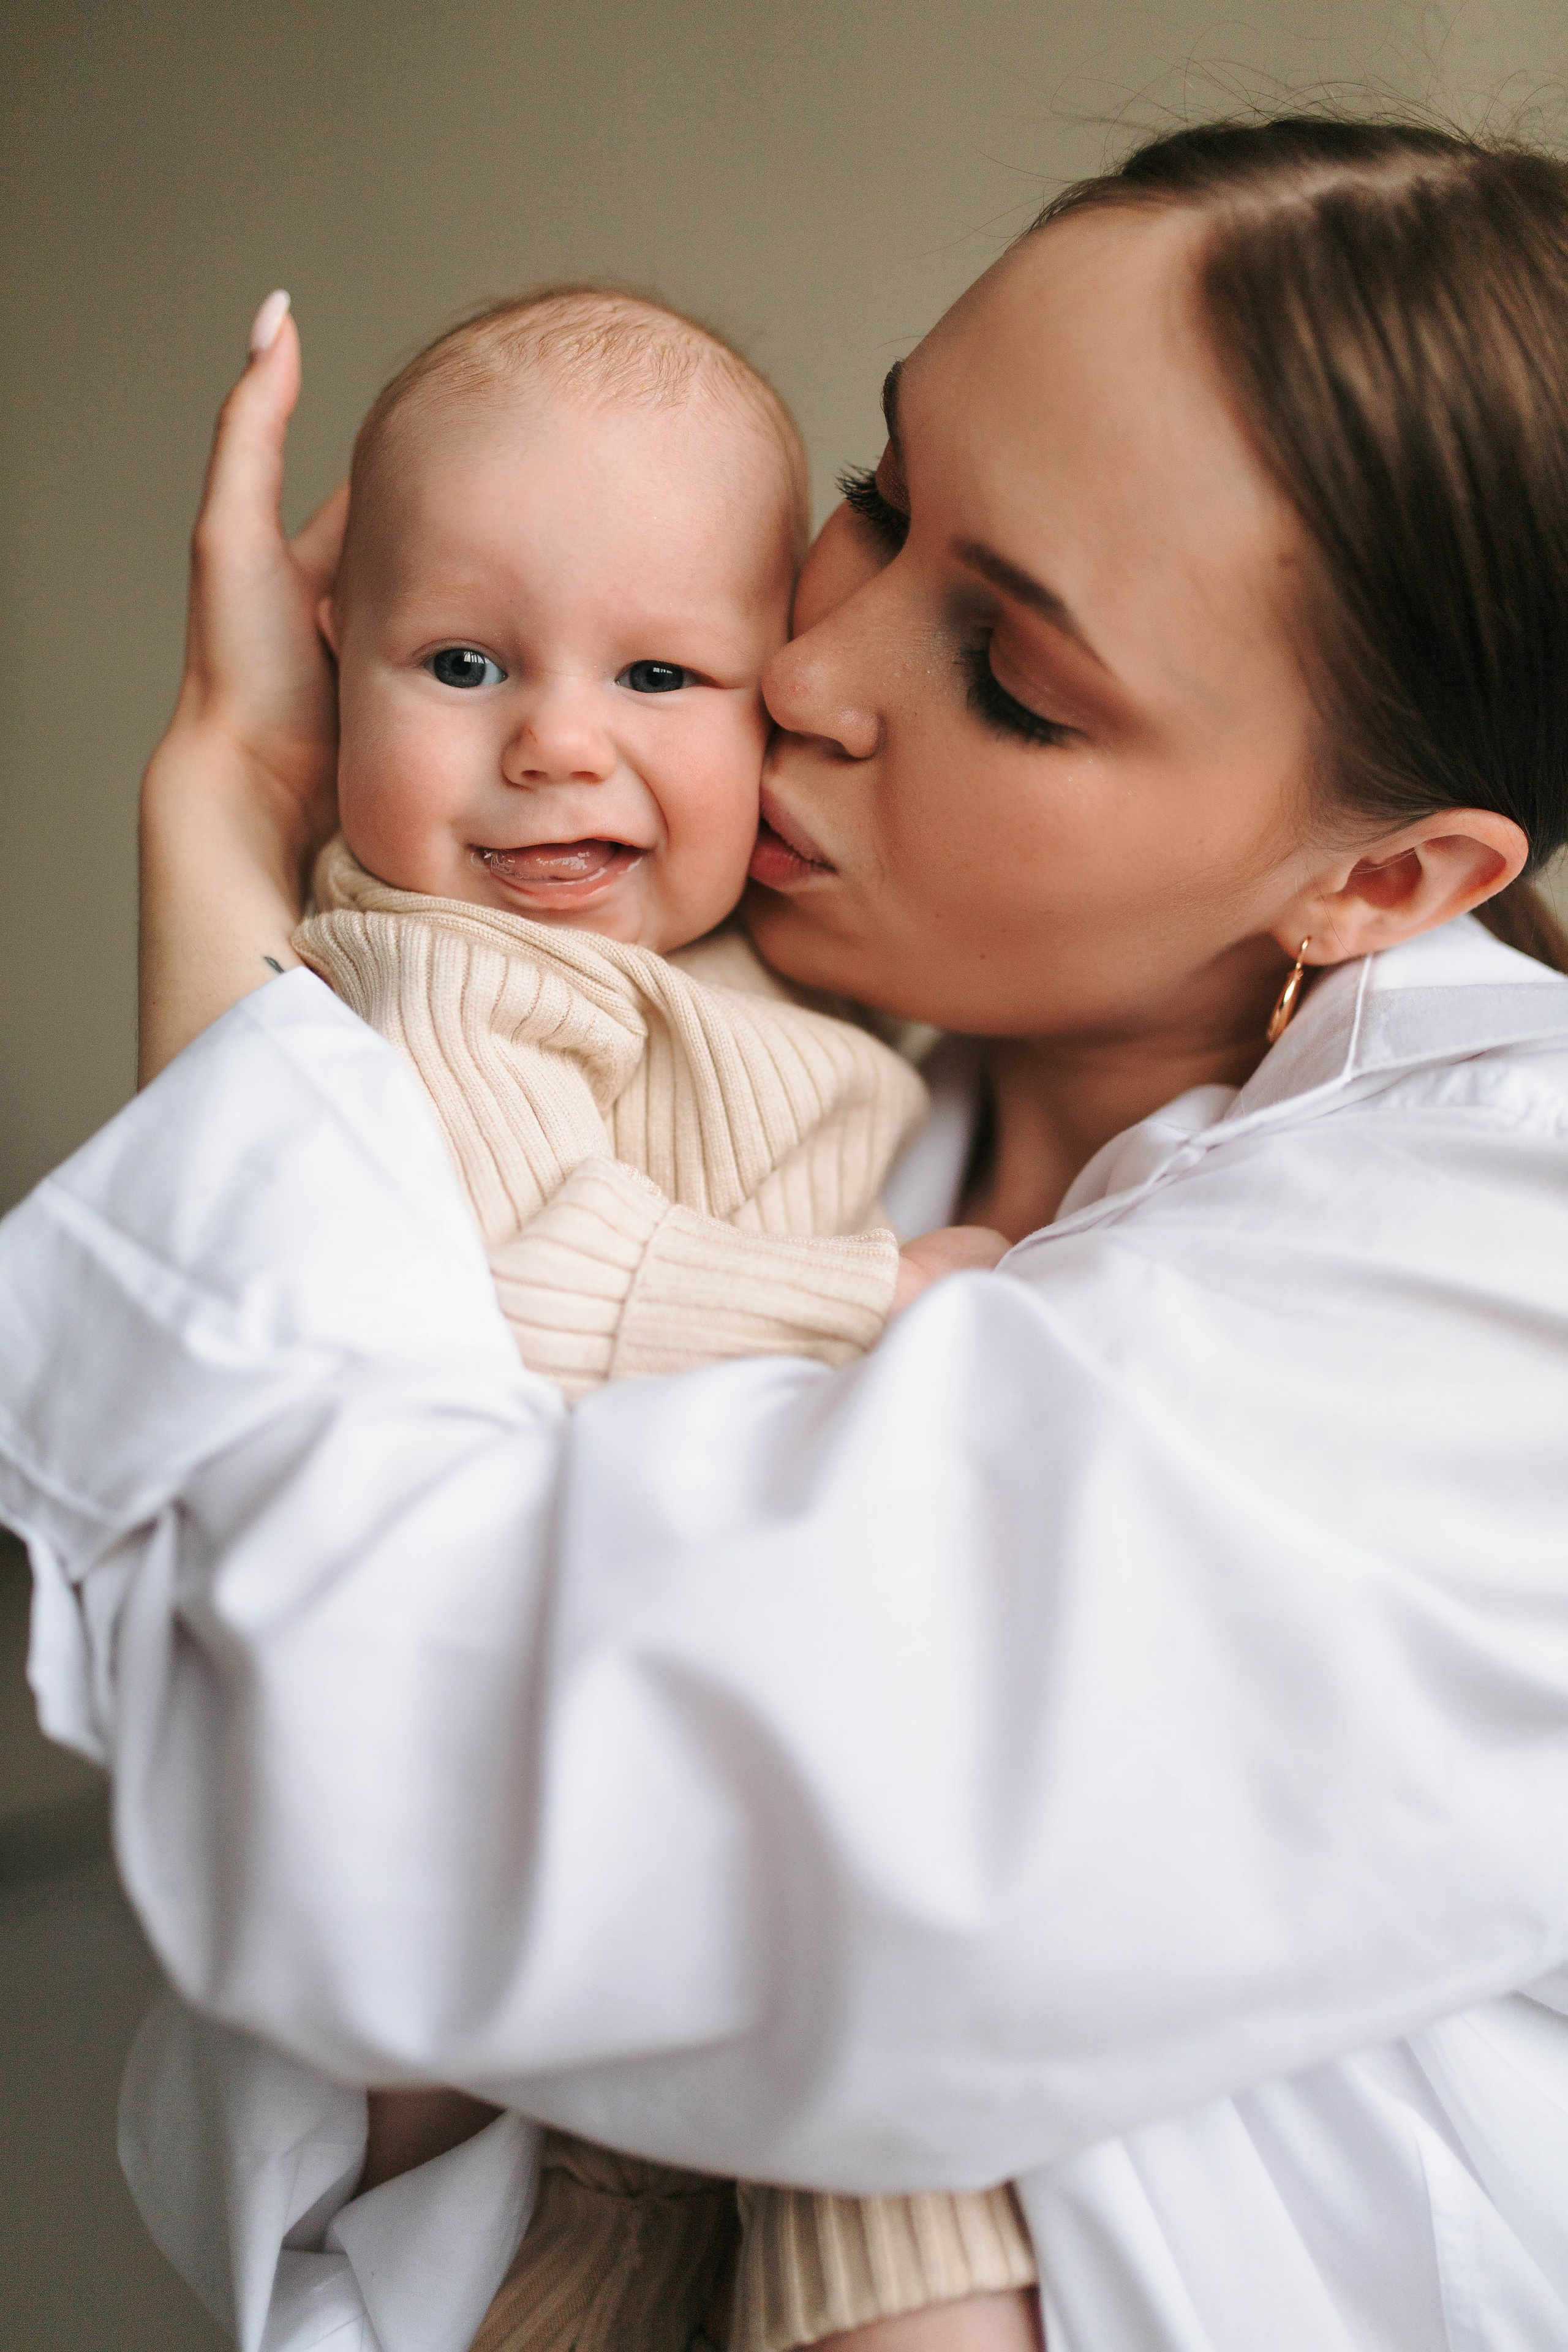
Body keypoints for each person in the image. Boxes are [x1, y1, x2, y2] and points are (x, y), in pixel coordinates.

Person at [6, 113, 1568, 2352]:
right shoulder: (810, 1111)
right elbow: (338, 2137)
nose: (806, 675)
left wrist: (216, 892)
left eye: (1016, 678)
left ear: (1384, 882)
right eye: (885, 496)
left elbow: (368, 1813)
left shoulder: (1504, 1275)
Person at [296, 278, 1034, 2352]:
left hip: (711, 1723)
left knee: (840, 2110)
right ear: (329, 674)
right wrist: (866, 1300)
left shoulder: (765, 971)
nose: (554, 739)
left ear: (767, 702)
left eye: (657, 669)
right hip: (573, 1704)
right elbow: (498, 1266)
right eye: (459, 663)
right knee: (716, 2155)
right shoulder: (433, 967)